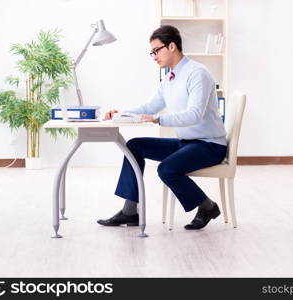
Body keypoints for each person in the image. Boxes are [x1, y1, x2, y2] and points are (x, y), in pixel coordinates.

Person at [97, 25, 227, 230]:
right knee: (134, 146)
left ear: (172, 46)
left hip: (209, 145)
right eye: (152, 52)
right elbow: (149, 107)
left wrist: (158, 120)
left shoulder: (197, 73)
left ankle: (207, 206)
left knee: (166, 168)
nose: (154, 56)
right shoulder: (170, 78)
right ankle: (130, 212)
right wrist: (121, 113)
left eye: (156, 51)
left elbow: (195, 114)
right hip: (186, 143)